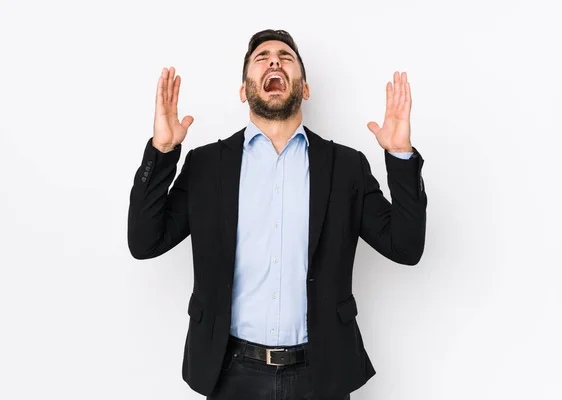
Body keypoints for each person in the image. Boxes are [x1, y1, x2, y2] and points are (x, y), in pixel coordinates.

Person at [128, 29, 427, 400]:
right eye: (262, 57)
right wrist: (162, 151)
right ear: (244, 90)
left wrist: (400, 157)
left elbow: (406, 247)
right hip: (230, 373)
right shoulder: (206, 165)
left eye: (286, 57)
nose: (274, 61)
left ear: (304, 88)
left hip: (321, 376)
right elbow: (144, 242)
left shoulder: (346, 166)